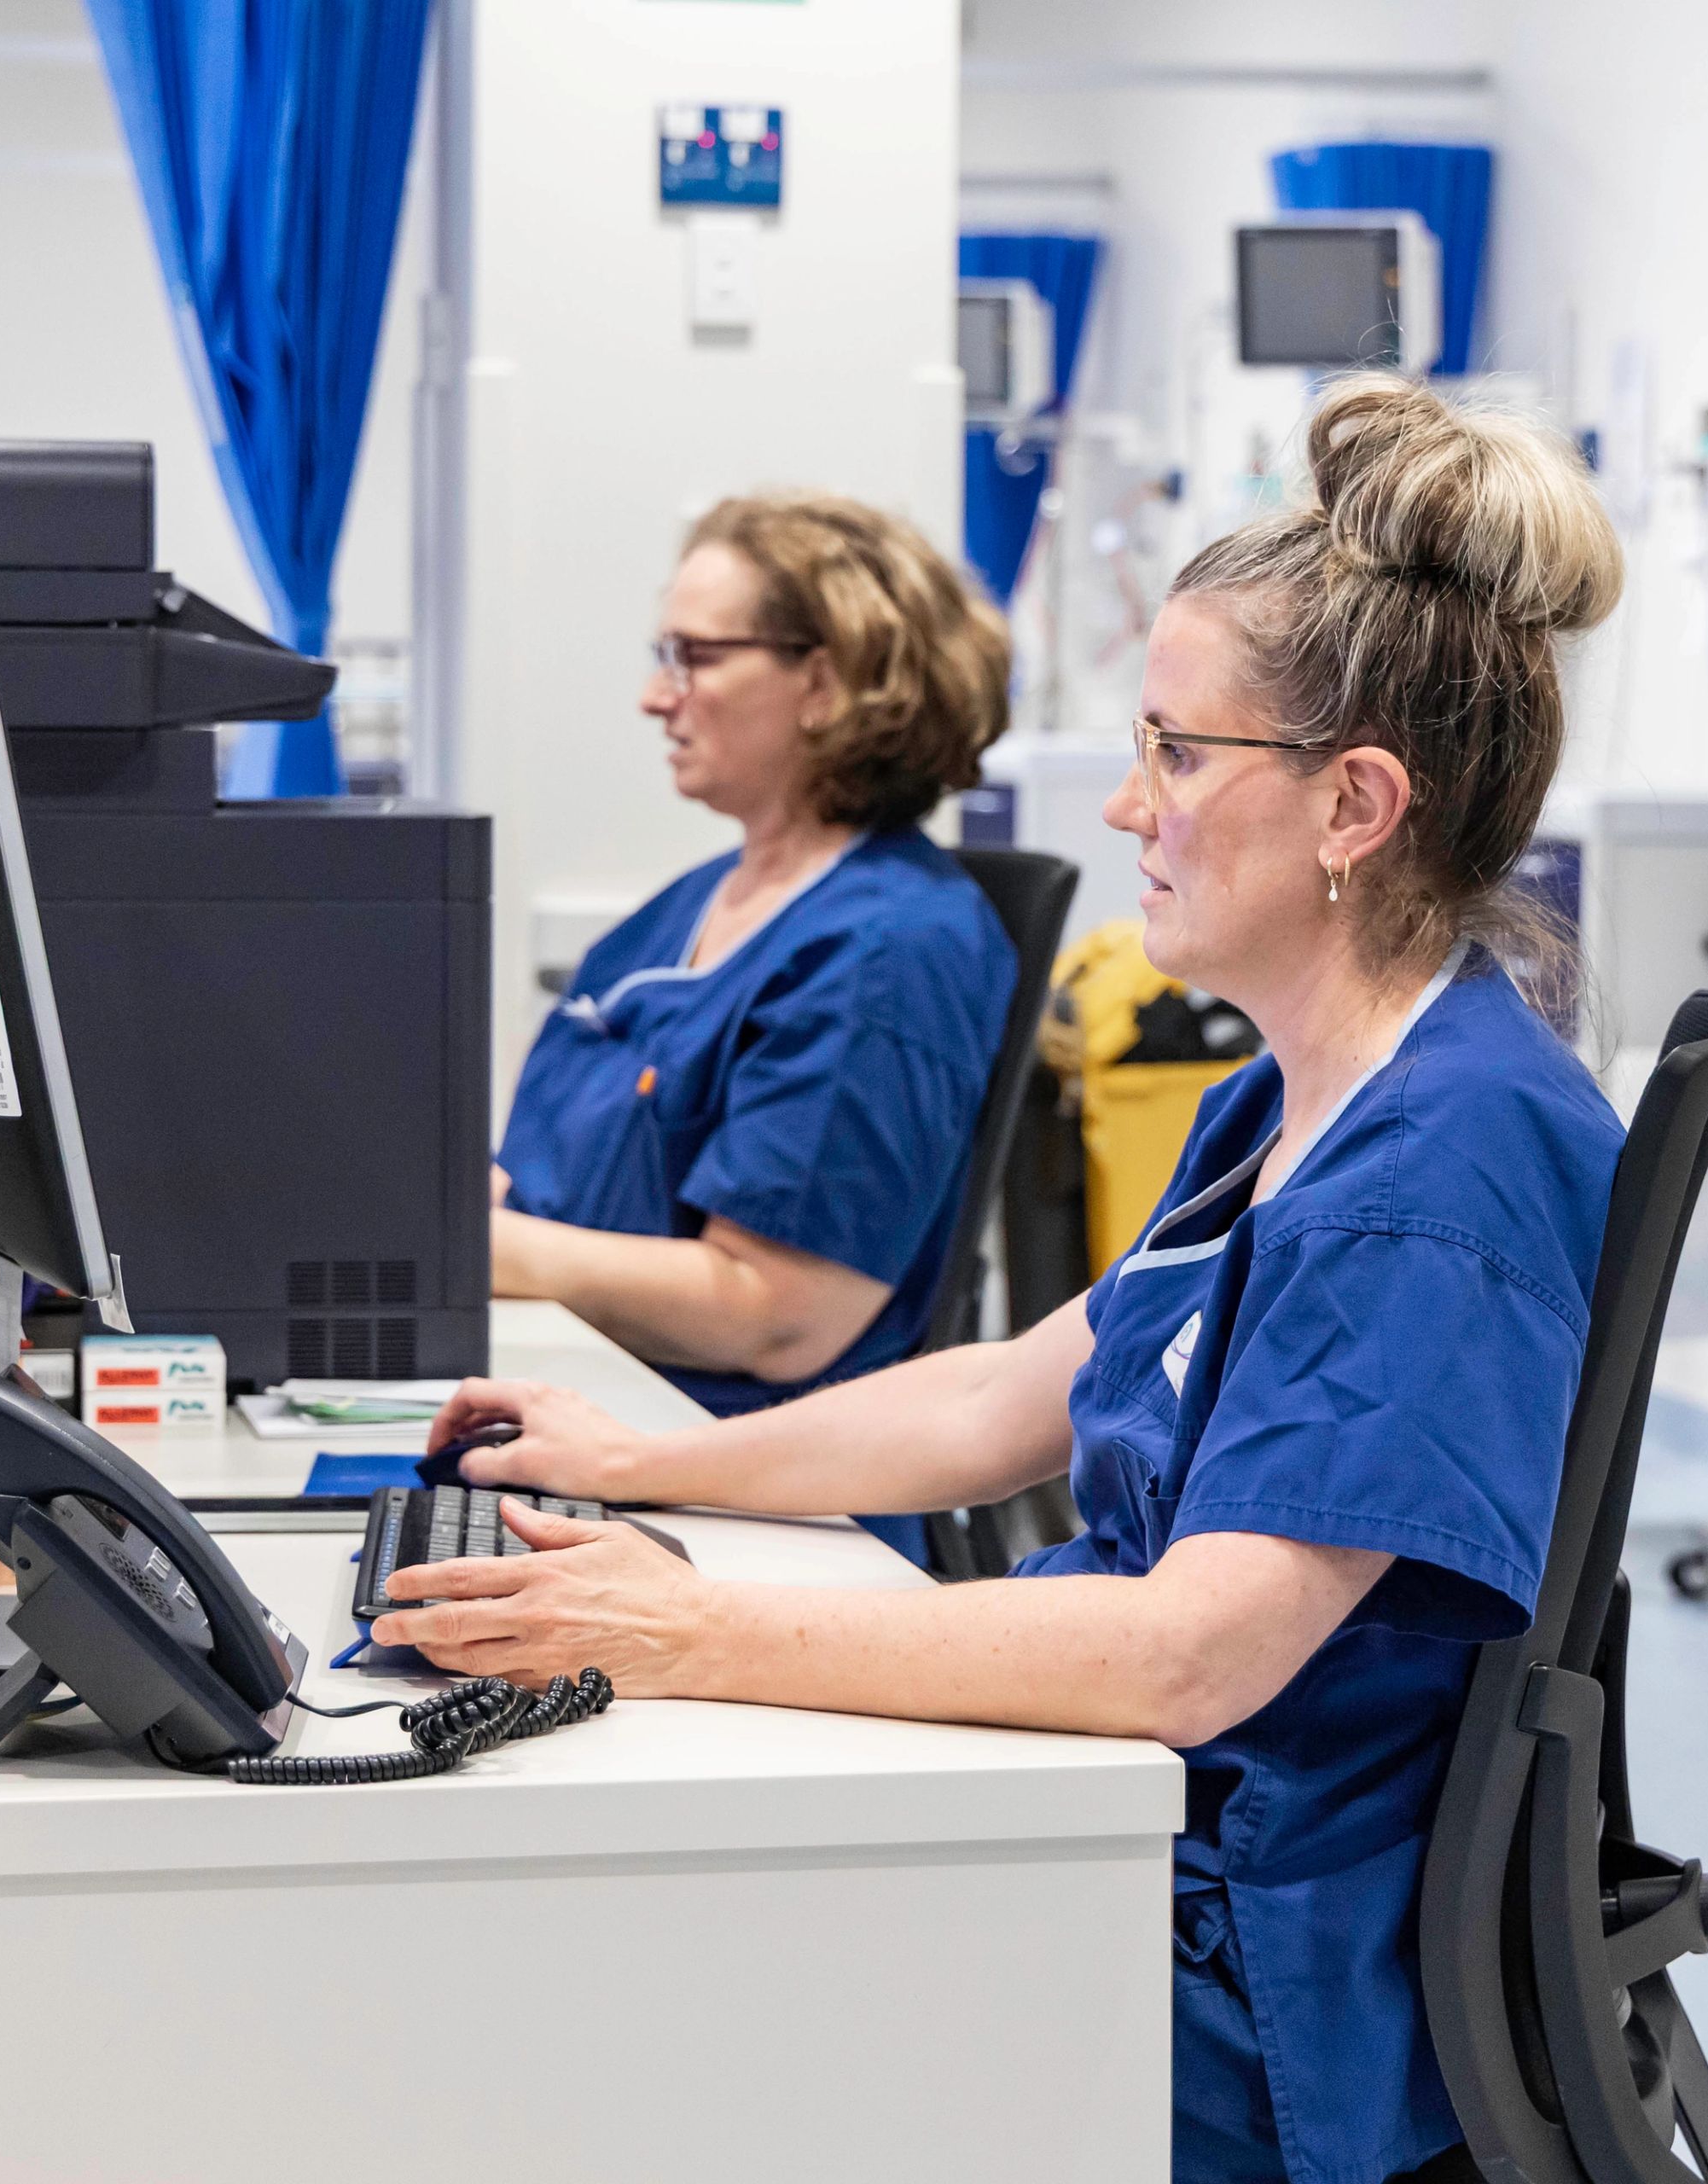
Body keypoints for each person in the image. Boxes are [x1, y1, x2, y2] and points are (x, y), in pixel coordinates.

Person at [379, 377, 1629, 2184]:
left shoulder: (1439, 1160)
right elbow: (999, 1391)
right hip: (1144, 1831)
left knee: (614, 1978)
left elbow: (1198, 1647)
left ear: (1353, 803)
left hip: (1251, 1971)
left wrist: (690, 1630)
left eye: (1177, 755)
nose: (1128, 801)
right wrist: (657, 1467)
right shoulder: (1304, 1088)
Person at [491, 492, 1016, 1551]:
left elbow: (776, 1312)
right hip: (592, 1418)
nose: (655, 696)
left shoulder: (886, 950)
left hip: (753, 1495)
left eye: (693, 657)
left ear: (823, 681)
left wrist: (479, 1251)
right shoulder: (682, 913)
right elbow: (533, 1178)